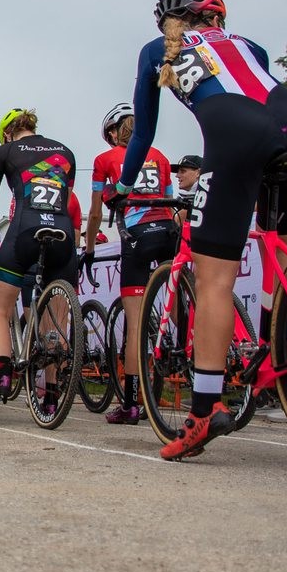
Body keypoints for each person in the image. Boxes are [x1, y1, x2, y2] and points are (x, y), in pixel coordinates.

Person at [115, 0, 287, 460]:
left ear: (169, 22)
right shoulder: (250, 45)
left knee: (214, 280)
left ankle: (205, 411)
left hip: (237, 138)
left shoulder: (155, 52)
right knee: (280, 252)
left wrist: (125, 188)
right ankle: (276, 347)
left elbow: (143, 132)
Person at [0, 108, 78, 415]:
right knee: (54, 323)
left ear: (7, 133)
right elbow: (67, 198)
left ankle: (2, 371)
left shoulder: (5, 151)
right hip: (63, 233)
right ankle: (51, 395)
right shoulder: (65, 151)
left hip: (24, 230)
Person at [83, 102, 177, 425]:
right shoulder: (161, 157)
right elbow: (170, 200)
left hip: (137, 236)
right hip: (168, 230)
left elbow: (95, 213)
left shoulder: (104, 160)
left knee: (135, 325)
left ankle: (133, 404)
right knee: (179, 300)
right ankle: (185, 353)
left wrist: (91, 246)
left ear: (112, 133)